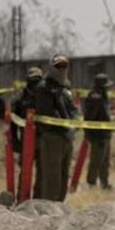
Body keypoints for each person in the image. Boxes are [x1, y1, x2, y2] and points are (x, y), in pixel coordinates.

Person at [33, 55, 79, 202]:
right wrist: (66, 126)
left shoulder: (65, 87)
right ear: (52, 68)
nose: (62, 69)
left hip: (66, 138)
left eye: (65, 66)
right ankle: (48, 214)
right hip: (52, 137)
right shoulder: (44, 87)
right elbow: (48, 115)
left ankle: (59, 211)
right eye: (58, 66)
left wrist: (76, 123)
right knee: (52, 179)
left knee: (64, 178)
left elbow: (72, 109)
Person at [11, 67, 44, 198]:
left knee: (43, 171)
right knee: (25, 170)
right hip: (26, 139)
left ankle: (39, 199)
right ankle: (22, 198)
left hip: (44, 138)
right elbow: (13, 121)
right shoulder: (20, 97)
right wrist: (15, 140)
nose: (35, 83)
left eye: (38, 80)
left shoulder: (46, 96)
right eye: (33, 80)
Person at [83, 73, 113, 190]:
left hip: (105, 133)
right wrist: (92, 133)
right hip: (98, 135)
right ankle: (91, 183)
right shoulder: (96, 98)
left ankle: (104, 183)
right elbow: (91, 117)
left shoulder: (101, 96)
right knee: (96, 160)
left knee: (105, 161)